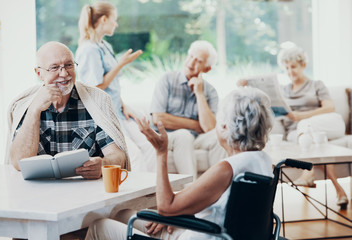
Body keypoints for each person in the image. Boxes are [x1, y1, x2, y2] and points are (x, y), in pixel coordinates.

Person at [84, 87, 275, 240]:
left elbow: (167, 206)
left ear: (225, 127)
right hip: (216, 231)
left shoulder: (226, 169)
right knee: (122, 214)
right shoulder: (263, 162)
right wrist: (177, 214)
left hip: (204, 234)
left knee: (99, 226)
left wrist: (161, 152)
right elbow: (225, 208)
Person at [6, 41, 130, 179]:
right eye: (54, 68)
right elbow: (19, 163)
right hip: (38, 194)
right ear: (39, 73)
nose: (64, 74)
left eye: (69, 65)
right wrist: (34, 109)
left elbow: (118, 155)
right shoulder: (24, 104)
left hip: (86, 192)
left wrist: (103, 164)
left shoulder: (97, 101)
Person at [76, 2, 155, 172]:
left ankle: (154, 194)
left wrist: (124, 105)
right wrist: (121, 64)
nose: (116, 24)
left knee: (150, 145)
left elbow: (112, 87)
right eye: (114, 19)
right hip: (105, 116)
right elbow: (96, 88)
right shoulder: (89, 50)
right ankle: (137, 195)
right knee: (134, 155)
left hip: (118, 111)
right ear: (104, 19)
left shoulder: (105, 46)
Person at [276, 45, 348, 207]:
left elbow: (329, 107)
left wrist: (302, 116)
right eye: (286, 68)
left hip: (325, 123)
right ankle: (339, 190)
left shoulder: (316, 85)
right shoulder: (283, 90)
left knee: (305, 125)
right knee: (318, 142)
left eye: (293, 67)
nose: (290, 71)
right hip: (297, 134)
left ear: (303, 65)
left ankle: (308, 173)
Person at [150, 40, 225, 180]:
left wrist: (199, 93)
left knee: (220, 135)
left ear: (207, 68)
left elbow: (209, 128)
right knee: (184, 136)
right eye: (190, 56)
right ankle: (192, 190)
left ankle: (220, 188)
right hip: (168, 136)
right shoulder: (167, 80)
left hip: (195, 138)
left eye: (198, 61)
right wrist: (196, 125)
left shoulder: (210, 91)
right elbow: (158, 119)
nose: (191, 63)